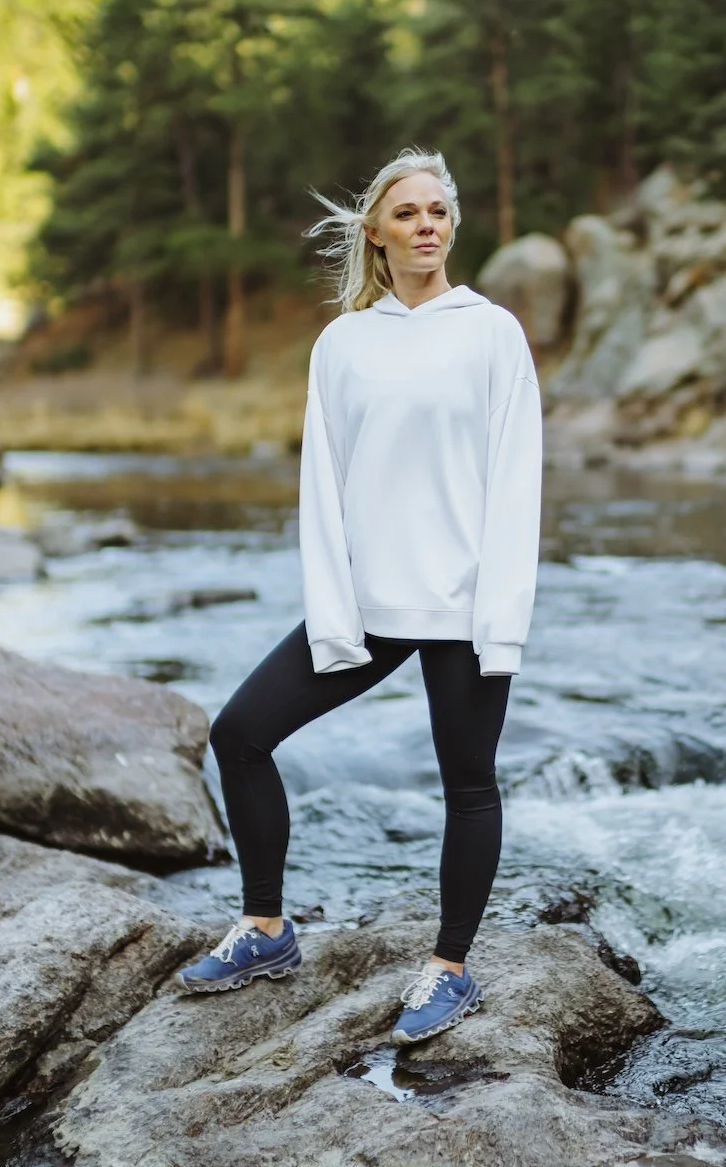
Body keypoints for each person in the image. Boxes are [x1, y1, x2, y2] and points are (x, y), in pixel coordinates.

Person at [177, 147, 543, 1045]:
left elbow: (516, 481)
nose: (427, 225)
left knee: (468, 783)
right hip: (369, 602)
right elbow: (323, 486)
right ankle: (267, 928)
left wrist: (501, 623)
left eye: (439, 212)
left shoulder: (491, 332)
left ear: (452, 226)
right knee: (239, 733)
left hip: (462, 606)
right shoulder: (343, 344)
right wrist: (333, 606)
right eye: (408, 213)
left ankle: (450, 968)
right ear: (376, 233)